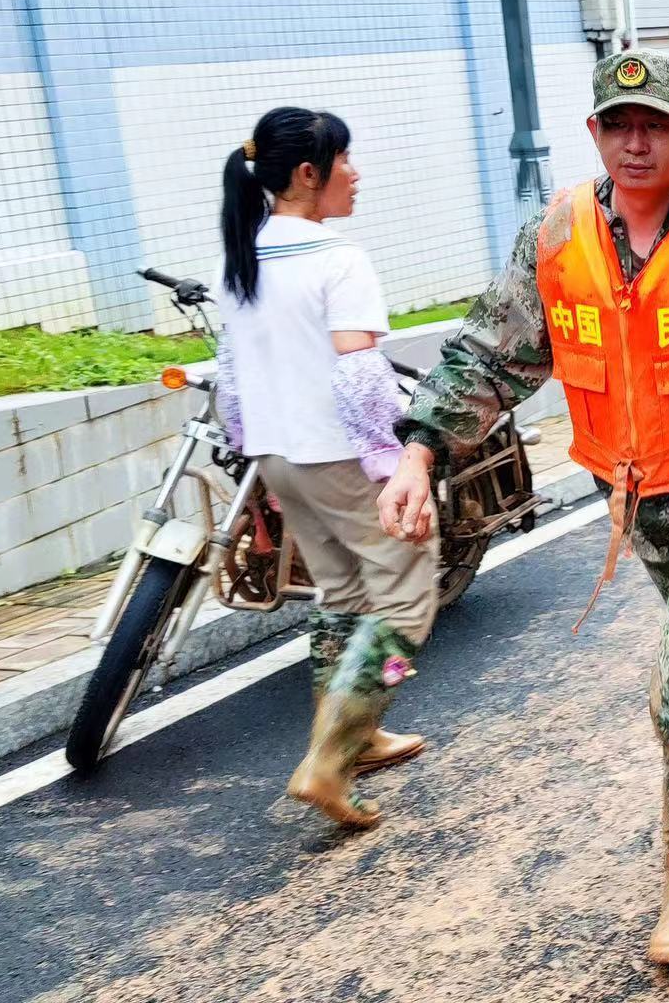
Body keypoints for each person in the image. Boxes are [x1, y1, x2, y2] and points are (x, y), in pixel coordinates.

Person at [379, 51, 669, 966]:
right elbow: (490, 353)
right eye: (617, 124)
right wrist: (418, 448)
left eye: (657, 125)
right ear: (595, 133)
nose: (636, 142)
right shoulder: (557, 235)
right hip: (632, 489)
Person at [212, 106, 436, 831]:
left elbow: (231, 379)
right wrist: (391, 458)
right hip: (340, 457)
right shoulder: (335, 258)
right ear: (309, 174)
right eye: (347, 160)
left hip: (278, 457)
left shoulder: (244, 256)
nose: (356, 173)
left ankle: (354, 737)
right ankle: (330, 761)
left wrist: (255, 463)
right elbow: (361, 377)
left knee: (342, 595)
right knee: (406, 604)